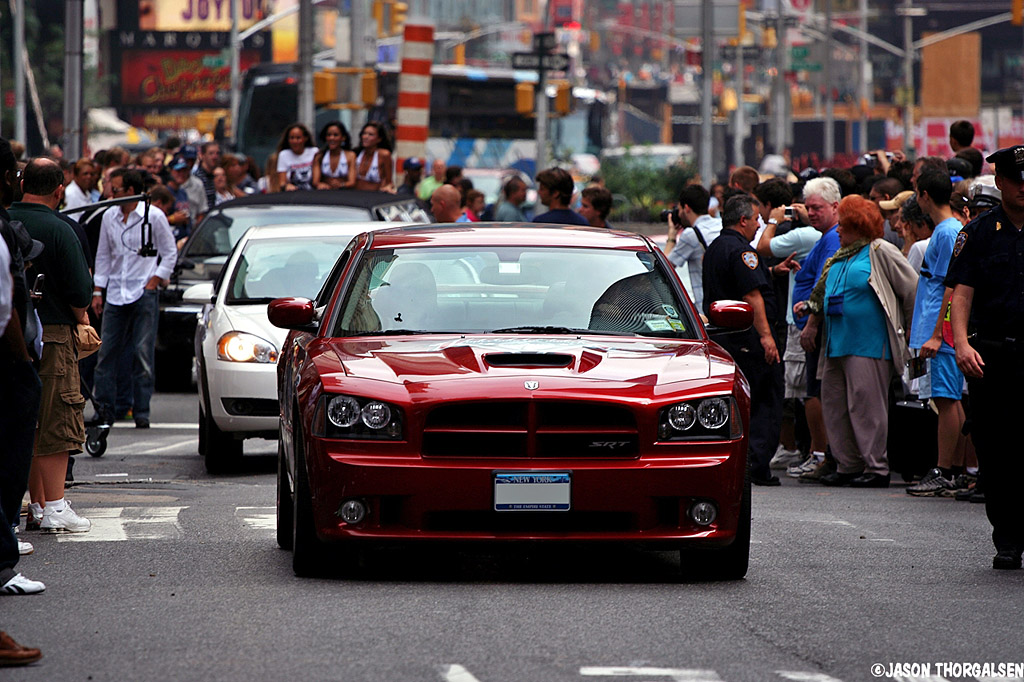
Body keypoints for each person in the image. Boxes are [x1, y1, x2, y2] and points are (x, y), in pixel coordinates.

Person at [945, 144, 1024, 570]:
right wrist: (961, 344)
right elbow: (962, 294)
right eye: (1016, 181)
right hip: (992, 356)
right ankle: (1007, 538)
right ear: (1000, 183)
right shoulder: (977, 233)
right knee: (996, 450)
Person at [804, 195, 917, 488]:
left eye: (843, 225)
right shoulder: (840, 257)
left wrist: (908, 331)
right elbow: (822, 298)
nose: (838, 230)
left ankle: (876, 467)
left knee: (867, 406)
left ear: (857, 225)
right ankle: (848, 464)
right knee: (835, 404)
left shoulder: (879, 251)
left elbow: (911, 289)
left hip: (869, 343)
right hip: (837, 343)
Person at [8, 157, 93, 534]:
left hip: (9, 331)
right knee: (57, 418)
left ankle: (37, 504)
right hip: (53, 331)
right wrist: (83, 316)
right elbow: (80, 290)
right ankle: (55, 504)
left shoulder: (5, 220)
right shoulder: (60, 229)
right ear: (60, 189)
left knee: (24, 419)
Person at [702, 194, 787, 487]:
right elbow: (752, 295)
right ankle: (757, 464)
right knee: (766, 398)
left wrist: (773, 271)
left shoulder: (716, 247)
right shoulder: (742, 252)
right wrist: (767, 337)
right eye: (755, 220)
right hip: (748, 337)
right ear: (743, 221)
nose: (758, 224)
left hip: (725, 338)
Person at [92, 169, 177, 430]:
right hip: (116, 291)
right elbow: (103, 255)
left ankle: (141, 410)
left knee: (142, 353)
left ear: (130, 191)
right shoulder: (109, 216)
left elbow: (169, 252)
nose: (111, 194)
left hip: (143, 290)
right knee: (106, 353)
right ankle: (104, 409)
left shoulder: (154, 216)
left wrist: (155, 279)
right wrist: (98, 290)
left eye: (116, 190)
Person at [905, 168, 969, 497]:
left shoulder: (947, 232)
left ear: (925, 196)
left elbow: (950, 287)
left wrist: (936, 334)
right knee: (948, 398)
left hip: (938, 331)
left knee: (945, 399)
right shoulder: (947, 230)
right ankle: (954, 470)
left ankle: (945, 470)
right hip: (935, 329)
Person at [0, 138, 46, 595]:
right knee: (8, 465)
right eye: (12, 173)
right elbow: (7, 311)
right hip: (8, 366)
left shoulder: (7, 227)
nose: (15, 181)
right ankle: (4, 565)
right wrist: (23, 357)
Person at [785, 177, 843, 482]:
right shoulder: (825, 236)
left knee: (815, 392)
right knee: (813, 391)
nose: (811, 213)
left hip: (815, 326)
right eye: (808, 208)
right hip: (810, 323)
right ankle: (820, 453)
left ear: (835, 206)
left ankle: (821, 453)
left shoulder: (833, 237)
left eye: (817, 207)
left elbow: (825, 286)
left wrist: (810, 323)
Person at [664, 184, 722, 312]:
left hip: (705, 310)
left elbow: (665, 267)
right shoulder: (721, 225)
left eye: (679, 209)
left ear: (687, 208)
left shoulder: (691, 234)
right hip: (723, 305)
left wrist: (672, 236)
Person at [312, 121, 357, 190]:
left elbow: (352, 182)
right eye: (329, 135)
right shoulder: (319, 156)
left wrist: (341, 184)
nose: (331, 138)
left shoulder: (351, 156)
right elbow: (315, 181)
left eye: (335, 135)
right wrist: (321, 184)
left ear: (343, 138)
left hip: (344, 194)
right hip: (325, 193)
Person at [275, 123, 318, 191]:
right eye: (292, 138)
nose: (295, 141)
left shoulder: (314, 152)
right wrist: (287, 186)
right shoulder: (283, 155)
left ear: (305, 138)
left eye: (298, 138)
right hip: (293, 196)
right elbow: (282, 182)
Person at [354, 122, 394, 192]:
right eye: (364, 133)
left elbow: (389, 182)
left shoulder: (384, 155)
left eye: (370, 135)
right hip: (355, 195)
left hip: (374, 197)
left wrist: (387, 188)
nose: (366, 137)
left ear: (379, 139)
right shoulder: (356, 153)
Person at [192, 141, 221, 208]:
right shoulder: (197, 178)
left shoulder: (213, 176)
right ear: (202, 155)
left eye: (217, 153)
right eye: (211, 153)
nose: (215, 157)